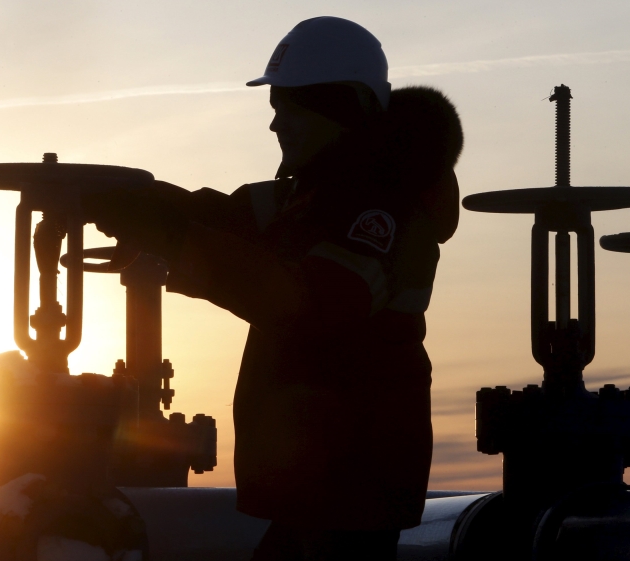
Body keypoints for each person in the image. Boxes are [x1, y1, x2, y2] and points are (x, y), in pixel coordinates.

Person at [84, 16, 463, 561]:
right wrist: (136, 202)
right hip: (322, 488)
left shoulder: (381, 207)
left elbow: (304, 306)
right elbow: (230, 218)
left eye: (287, 109)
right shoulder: (321, 191)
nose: (275, 126)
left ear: (337, 107)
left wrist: (166, 234)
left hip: (348, 484)